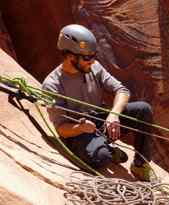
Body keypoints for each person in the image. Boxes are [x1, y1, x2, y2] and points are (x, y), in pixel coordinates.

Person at [42, 24, 154, 181]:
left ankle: (140, 165)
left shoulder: (94, 68)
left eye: (94, 55)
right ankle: (105, 149)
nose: (92, 61)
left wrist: (113, 115)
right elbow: (61, 129)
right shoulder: (52, 85)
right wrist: (81, 127)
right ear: (70, 56)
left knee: (143, 109)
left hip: (99, 121)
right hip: (77, 133)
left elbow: (122, 91)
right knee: (101, 158)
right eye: (87, 57)